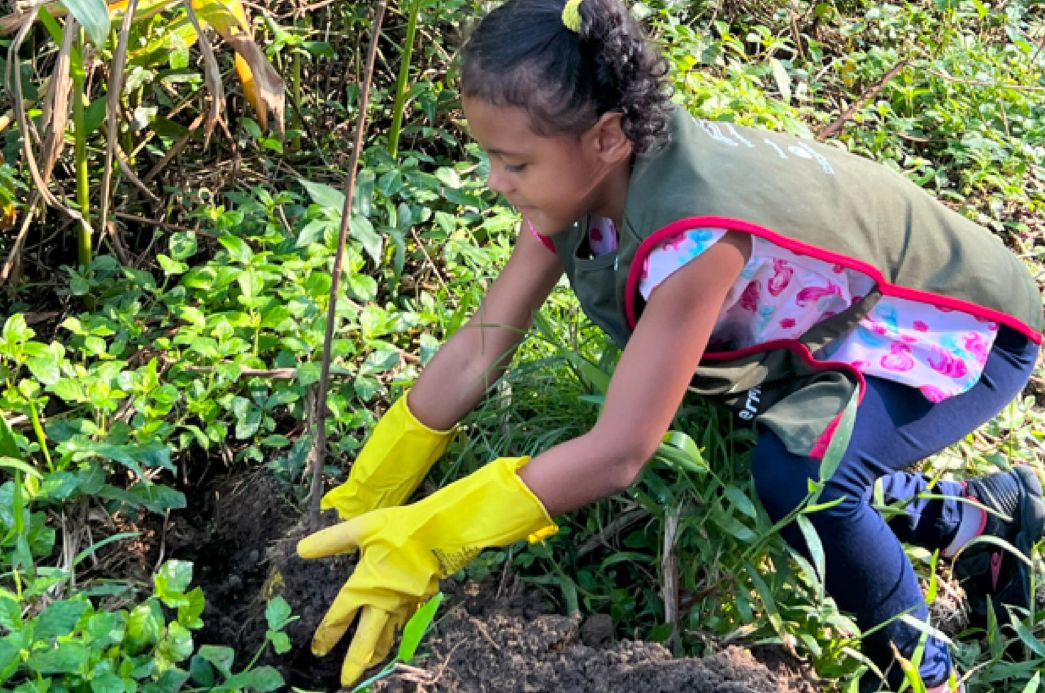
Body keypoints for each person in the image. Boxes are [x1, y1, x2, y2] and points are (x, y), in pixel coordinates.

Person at [296, 0, 1045, 690]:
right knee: (750, 422)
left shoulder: (694, 239)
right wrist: (365, 495)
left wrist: (435, 538)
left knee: (803, 473)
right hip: (832, 324)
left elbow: (619, 452)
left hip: (961, 325)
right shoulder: (585, 179)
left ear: (608, 135)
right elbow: (479, 345)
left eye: (515, 163)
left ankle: (921, 666)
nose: (495, 182)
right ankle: (980, 520)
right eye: (490, 157)